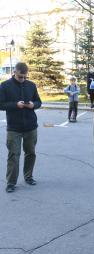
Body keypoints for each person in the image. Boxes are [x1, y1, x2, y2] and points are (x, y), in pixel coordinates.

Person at [0, 62, 42, 193]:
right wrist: (15, 105)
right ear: (14, 72)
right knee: (14, 155)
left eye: (25, 77)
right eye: (20, 77)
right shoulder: (5, 86)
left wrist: (32, 105)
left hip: (31, 126)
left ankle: (28, 177)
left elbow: (39, 102)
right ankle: (11, 183)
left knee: (31, 153)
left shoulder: (31, 85)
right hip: (14, 128)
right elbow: (1, 104)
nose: (23, 79)